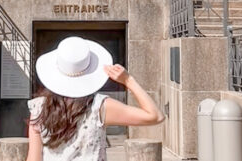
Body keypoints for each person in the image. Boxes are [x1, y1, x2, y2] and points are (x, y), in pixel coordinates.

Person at [26, 36, 164, 161]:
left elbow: (33, 158)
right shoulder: (100, 107)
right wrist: (128, 80)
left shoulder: (39, 108)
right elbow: (155, 116)